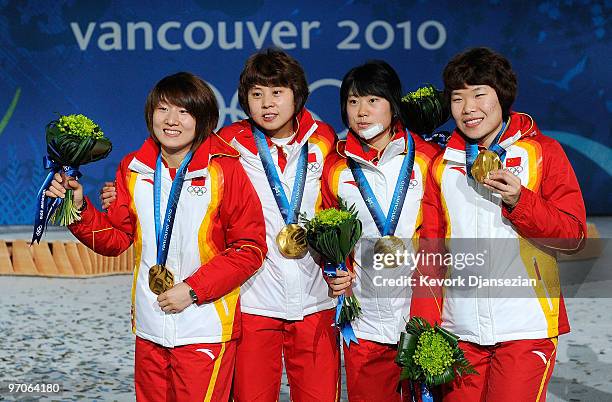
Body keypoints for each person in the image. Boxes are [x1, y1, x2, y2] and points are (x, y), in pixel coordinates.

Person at [101, 49, 340, 401]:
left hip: (316, 297)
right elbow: (170, 167)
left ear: (298, 95)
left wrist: (341, 264)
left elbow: (338, 208)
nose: (267, 104)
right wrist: (119, 194)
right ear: (244, 99)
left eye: (277, 93)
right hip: (253, 300)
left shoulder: (324, 139)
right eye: (257, 94)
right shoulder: (227, 144)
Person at [46, 72, 267, 402]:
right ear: (151, 115)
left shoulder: (224, 169)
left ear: (202, 118)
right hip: (150, 328)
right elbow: (117, 239)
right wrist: (79, 208)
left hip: (204, 327)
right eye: (163, 109)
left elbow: (249, 248)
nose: (172, 120)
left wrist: (193, 290)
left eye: (184, 111)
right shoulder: (133, 169)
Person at [420, 47, 587, 402]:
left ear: (502, 97)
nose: (468, 108)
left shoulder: (542, 152)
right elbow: (430, 252)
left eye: (479, 94)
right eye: (458, 98)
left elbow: (573, 236)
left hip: (526, 326)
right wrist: (427, 327)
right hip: (458, 330)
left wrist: (520, 201)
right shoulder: (440, 164)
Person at [320, 60, 441, 401]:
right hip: (366, 321)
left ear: (393, 104)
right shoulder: (336, 169)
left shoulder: (429, 159)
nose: (361, 111)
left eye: (373, 100)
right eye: (353, 101)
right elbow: (328, 240)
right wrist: (334, 270)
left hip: (422, 317)